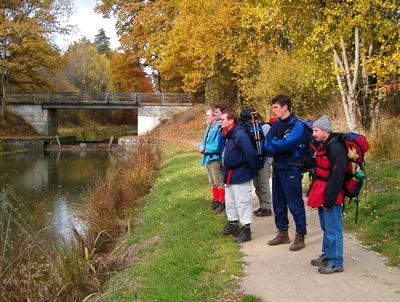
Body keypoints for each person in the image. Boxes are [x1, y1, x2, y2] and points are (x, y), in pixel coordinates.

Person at [264, 94, 307, 251]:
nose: (273, 110)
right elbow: (266, 145)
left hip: (291, 168)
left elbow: (287, 145)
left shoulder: (298, 126)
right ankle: (283, 233)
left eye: (276, 107)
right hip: (278, 167)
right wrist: (277, 144)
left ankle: (300, 235)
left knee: (295, 203)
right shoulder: (275, 125)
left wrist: (276, 144)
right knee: (278, 203)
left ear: (285, 107)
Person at [307, 115, 347, 274]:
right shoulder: (324, 145)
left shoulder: (336, 148)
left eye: (316, 130)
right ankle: (327, 254)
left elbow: (337, 176)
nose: (314, 134)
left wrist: (329, 200)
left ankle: (336, 261)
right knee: (326, 227)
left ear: (325, 131)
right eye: (313, 131)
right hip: (322, 193)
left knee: (333, 229)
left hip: (331, 196)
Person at [219, 108, 260, 243]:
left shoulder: (240, 135)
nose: (220, 122)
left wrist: (252, 172)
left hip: (240, 174)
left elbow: (250, 154)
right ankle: (233, 225)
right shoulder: (228, 134)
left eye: (222, 119)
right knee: (230, 202)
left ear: (231, 120)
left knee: (243, 202)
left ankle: (246, 229)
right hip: (230, 175)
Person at [238, 108, 272, 217]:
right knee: (257, 184)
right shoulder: (252, 128)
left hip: (264, 159)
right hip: (257, 160)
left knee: (263, 184)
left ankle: (267, 207)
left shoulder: (264, 128)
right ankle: (263, 205)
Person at [198, 108, 225, 212]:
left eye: (207, 115)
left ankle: (222, 202)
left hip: (214, 158)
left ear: (214, 117)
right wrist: (200, 147)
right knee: (212, 181)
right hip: (208, 158)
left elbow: (217, 145)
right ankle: (216, 200)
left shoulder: (219, 128)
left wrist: (205, 149)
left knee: (218, 181)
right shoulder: (209, 127)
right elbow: (203, 141)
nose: (206, 117)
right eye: (205, 115)